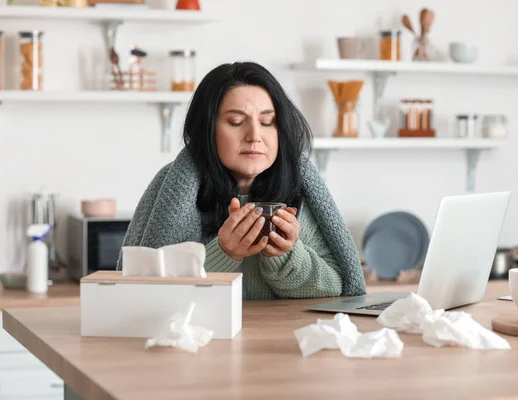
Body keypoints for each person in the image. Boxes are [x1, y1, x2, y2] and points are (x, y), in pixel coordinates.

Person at [117, 61, 366, 300]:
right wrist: (224, 253)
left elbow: (338, 288)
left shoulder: (299, 189)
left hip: (278, 340)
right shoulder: (172, 188)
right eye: (236, 122)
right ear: (207, 129)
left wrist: (287, 255)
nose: (255, 136)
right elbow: (146, 294)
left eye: (267, 122)